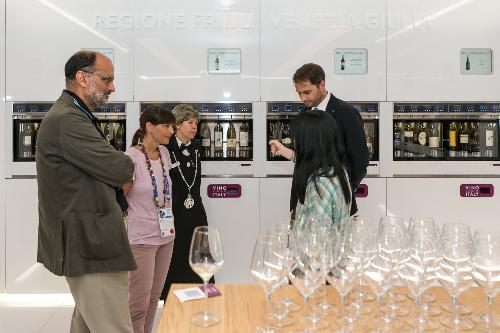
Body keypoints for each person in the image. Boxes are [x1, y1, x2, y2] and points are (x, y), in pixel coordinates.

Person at [36, 50, 136, 333]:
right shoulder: (68, 119)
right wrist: (127, 160)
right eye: (107, 79)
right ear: (82, 77)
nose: (112, 87)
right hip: (91, 244)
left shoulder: (73, 115)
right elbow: (120, 169)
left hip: (90, 241)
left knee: (87, 326)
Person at [269, 63, 369, 217]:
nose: (302, 98)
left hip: (334, 207)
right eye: (299, 93)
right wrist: (285, 151)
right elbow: (311, 159)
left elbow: (360, 162)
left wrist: (342, 190)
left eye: (307, 92)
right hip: (304, 201)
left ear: (322, 84)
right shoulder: (305, 113)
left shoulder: (346, 112)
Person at [123, 106, 176, 333]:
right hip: (142, 240)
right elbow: (120, 200)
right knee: (138, 303)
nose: (172, 131)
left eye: (172, 126)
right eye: (167, 126)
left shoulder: (164, 154)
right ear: (149, 127)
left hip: (166, 236)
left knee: (155, 298)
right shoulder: (131, 157)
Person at [160, 104, 210, 300]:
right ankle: (173, 299)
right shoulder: (165, 149)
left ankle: (201, 295)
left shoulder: (196, 148)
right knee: (176, 256)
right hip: (174, 213)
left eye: (196, 123)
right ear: (178, 125)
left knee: (199, 254)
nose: (194, 127)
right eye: (190, 123)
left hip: (196, 210)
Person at [291, 110, 352, 225]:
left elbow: (317, 240)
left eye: (297, 138)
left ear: (308, 143)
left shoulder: (318, 186)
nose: (294, 143)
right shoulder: (337, 170)